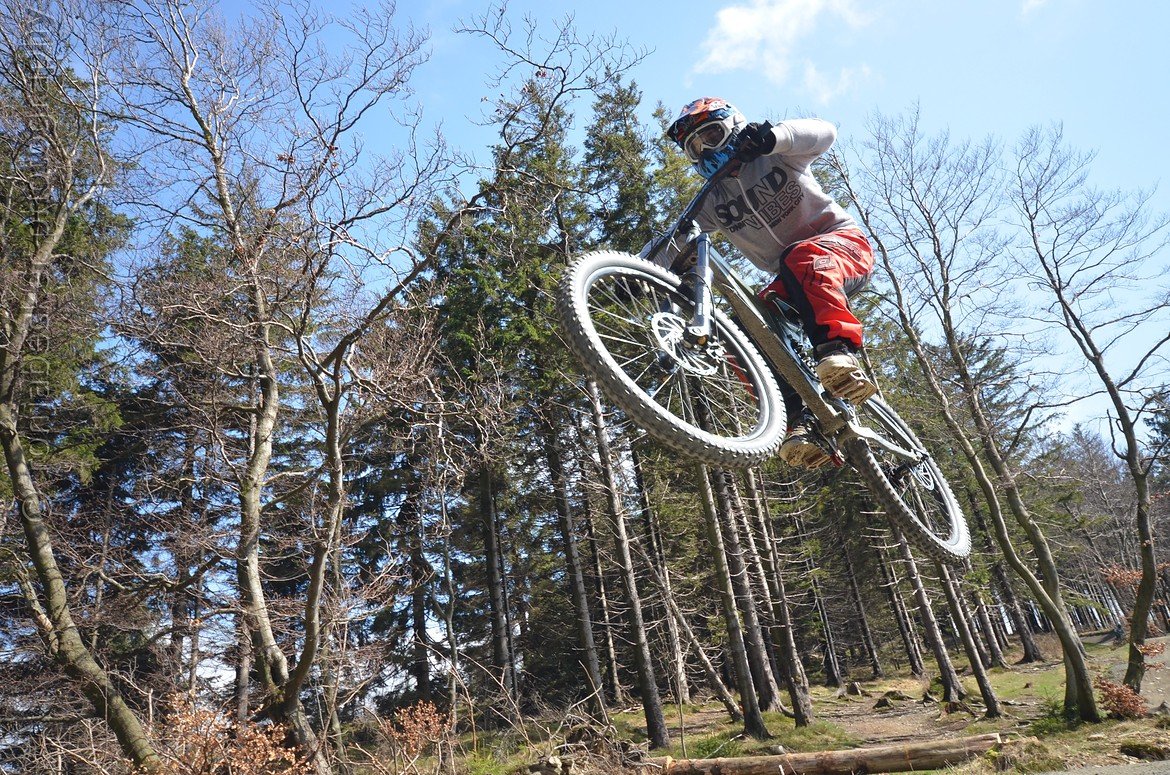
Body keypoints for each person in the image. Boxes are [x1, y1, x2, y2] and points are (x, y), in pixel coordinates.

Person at [650, 96, 877, 469]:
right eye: (696, 147)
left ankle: (837, 351)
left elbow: (825, 134)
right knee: (744, 329)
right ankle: (801, 420)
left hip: (843, 247)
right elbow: (678, 238)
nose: (706, 149)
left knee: (799, 257)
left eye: (711, 135)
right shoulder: (713, 200)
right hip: (794, 279)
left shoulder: (776, 156)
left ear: (734, 126)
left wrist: (775, 138)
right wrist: (637, 272)